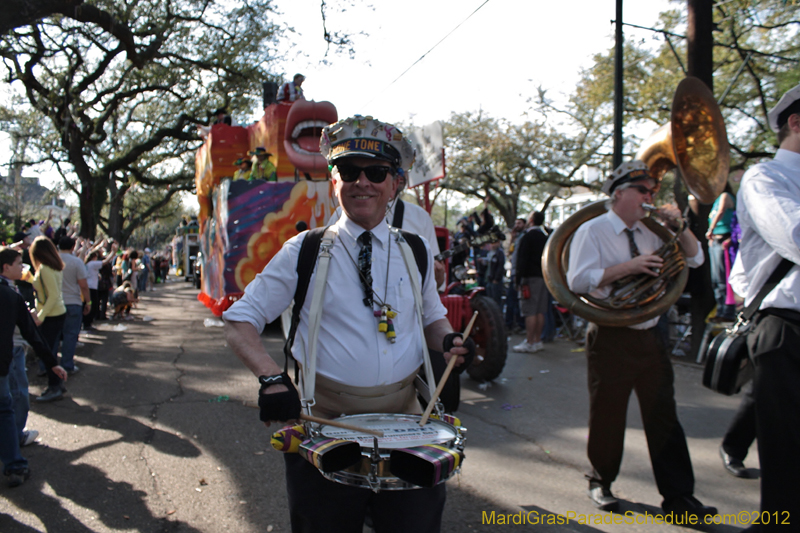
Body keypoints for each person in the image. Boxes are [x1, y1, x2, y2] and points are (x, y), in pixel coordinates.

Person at [222, 114, 474, 533]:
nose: (363, 182)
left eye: (376, 172)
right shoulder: (304, 250)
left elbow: (432, 316)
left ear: (395, 183)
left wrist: (448, 340)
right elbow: (239, 321)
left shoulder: (415, 249)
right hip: (325, 426)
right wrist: (271, 378)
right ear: (334, 180)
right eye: (349, 170)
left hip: (409, 424)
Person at [566, 160, 716, 519]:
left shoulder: (655, 229)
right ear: (619, 193)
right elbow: (576, 281)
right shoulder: (593, 230)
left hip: (652, 333)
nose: (650, 197)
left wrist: (679, 226)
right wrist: (629, 268)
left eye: (652, 191)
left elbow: (696, 259)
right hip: (610, 334)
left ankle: (679, 498)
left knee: (664, 416)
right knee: (608, 413)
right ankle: (601, 481)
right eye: (643, 191)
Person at [728, 82, 800, 532]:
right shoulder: (765, 178)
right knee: (787, 464)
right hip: (787, 328)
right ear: (796, 122)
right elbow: (795, 235)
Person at [0, 247, 68, 487]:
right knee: (6, 409)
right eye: (19, 263)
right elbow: (32, 333)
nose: (23, 268)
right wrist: (52, 363)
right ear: (5, 267)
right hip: (4, 361)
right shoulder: (11, 296)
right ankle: (14, 463)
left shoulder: (13, 294)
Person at [27, 237, 69, 403]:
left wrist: (41, 316)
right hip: (56, 312)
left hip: (52, 314)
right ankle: (57, 384)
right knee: (50, 351)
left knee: (47, 353)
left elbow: (52, 295)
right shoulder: (53, 266)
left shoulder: (45, 268)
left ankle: (55, 386)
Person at [513, 211, 549, 353]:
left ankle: (529, 342)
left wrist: (518, 279)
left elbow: (522, 259)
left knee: (530, 311)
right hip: (543, 277)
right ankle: (537, 340)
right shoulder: (545, 237)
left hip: (529, 278)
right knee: (540, 310)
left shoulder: (527, 237)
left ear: (531, 220)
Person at [56, 237, 91, 375]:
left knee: (53, 336)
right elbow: (83, 285)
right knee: (70, 336)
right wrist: (88, 302)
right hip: (73, 302)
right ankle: (67, 365)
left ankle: (47, 365)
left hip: (55, 302)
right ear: (72, 248)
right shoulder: (76, 262)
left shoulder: (51, 260)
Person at [706, 184, 737, 320]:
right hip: (715, 241)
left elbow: (721, 212)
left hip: (724, 240)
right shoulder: (716, 200)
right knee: (716, 280)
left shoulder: (725, 196)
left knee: (723, 278)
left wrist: (711, 230)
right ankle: (720, 311)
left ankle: (728, 312)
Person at [505, 218, 526, 334]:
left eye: (519, 223)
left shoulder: (525, 237)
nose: (516, 225)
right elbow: (509, 252)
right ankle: (509, 324)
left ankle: (520, 324)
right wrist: (512, 238)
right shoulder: (516, 238)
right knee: (510, 300)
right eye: (516, 223)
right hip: (513, 273)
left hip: (518, 274)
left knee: (517, 301)